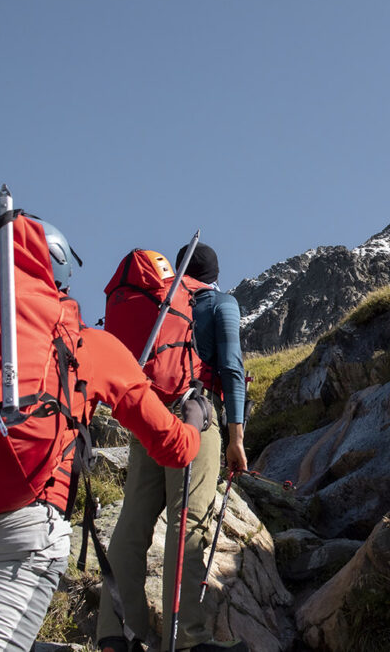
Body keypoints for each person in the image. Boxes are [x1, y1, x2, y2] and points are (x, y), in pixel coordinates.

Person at [0, 215, 201, 652]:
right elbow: (174, 448)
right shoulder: (85, 344)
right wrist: (196, 417)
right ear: (59, 276)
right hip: (20, 528)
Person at [96, 242, 248, 652]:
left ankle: (116, 635)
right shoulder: (219, 304)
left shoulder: (162, 302)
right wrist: (236, 436)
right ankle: (185, 641)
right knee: (188, 524)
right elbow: (232, 369)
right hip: (195, 418)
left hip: (149, 417)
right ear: (214, 276)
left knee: (132, 524)